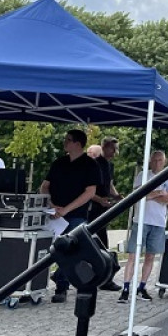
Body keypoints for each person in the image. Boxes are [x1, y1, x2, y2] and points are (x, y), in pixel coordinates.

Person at [40, 129, 100, 303]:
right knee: (50, 250)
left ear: (78, 143)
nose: (65, 142)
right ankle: (47, 280)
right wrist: (51, 205)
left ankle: (61, 287)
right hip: (53, 214)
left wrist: (66, 209)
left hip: (76, 215)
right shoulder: (59, 163)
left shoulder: (90, 165)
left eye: (68, 140)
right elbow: (44, 186)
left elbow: (90, 192)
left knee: (70, 251)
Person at [119, 150, 168, 303]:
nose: (157, 163)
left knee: (150, 256)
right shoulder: (143, 175)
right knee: (133, 255)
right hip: (141, 220)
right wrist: (158, 194)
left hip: (158, 222)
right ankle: (126, 288)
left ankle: (142, 286)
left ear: (165, 161)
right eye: (154, 160)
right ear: (150, 161)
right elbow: (137, 195)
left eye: (160, 160)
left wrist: (150, 195)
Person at [87, 136, 121, 291]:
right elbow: (86, 189)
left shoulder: (109, 165)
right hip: (93, 209)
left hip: (103, 208)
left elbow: (110, 183)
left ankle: (102, 276)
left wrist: (116, 195)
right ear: (105, 147)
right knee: (98, 243)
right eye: (113, 149)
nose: (114, 153)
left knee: (101, 242)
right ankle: (103, 277)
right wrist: (100, 199)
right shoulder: (94, 165)